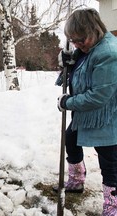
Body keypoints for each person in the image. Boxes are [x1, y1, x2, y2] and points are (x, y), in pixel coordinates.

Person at [56, 8, 117, 215]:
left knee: (109, 161)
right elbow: (76, 64)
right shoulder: (88, 47)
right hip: (87, 114)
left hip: (107, 116)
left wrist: (68, 102)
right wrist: (67, 59)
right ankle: (77, 180)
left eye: (80, 39)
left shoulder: (108, 53)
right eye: (73, 40)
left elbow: (99, 96)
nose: (77, 44)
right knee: (71, 140)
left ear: (95, 30)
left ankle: (112, 206)